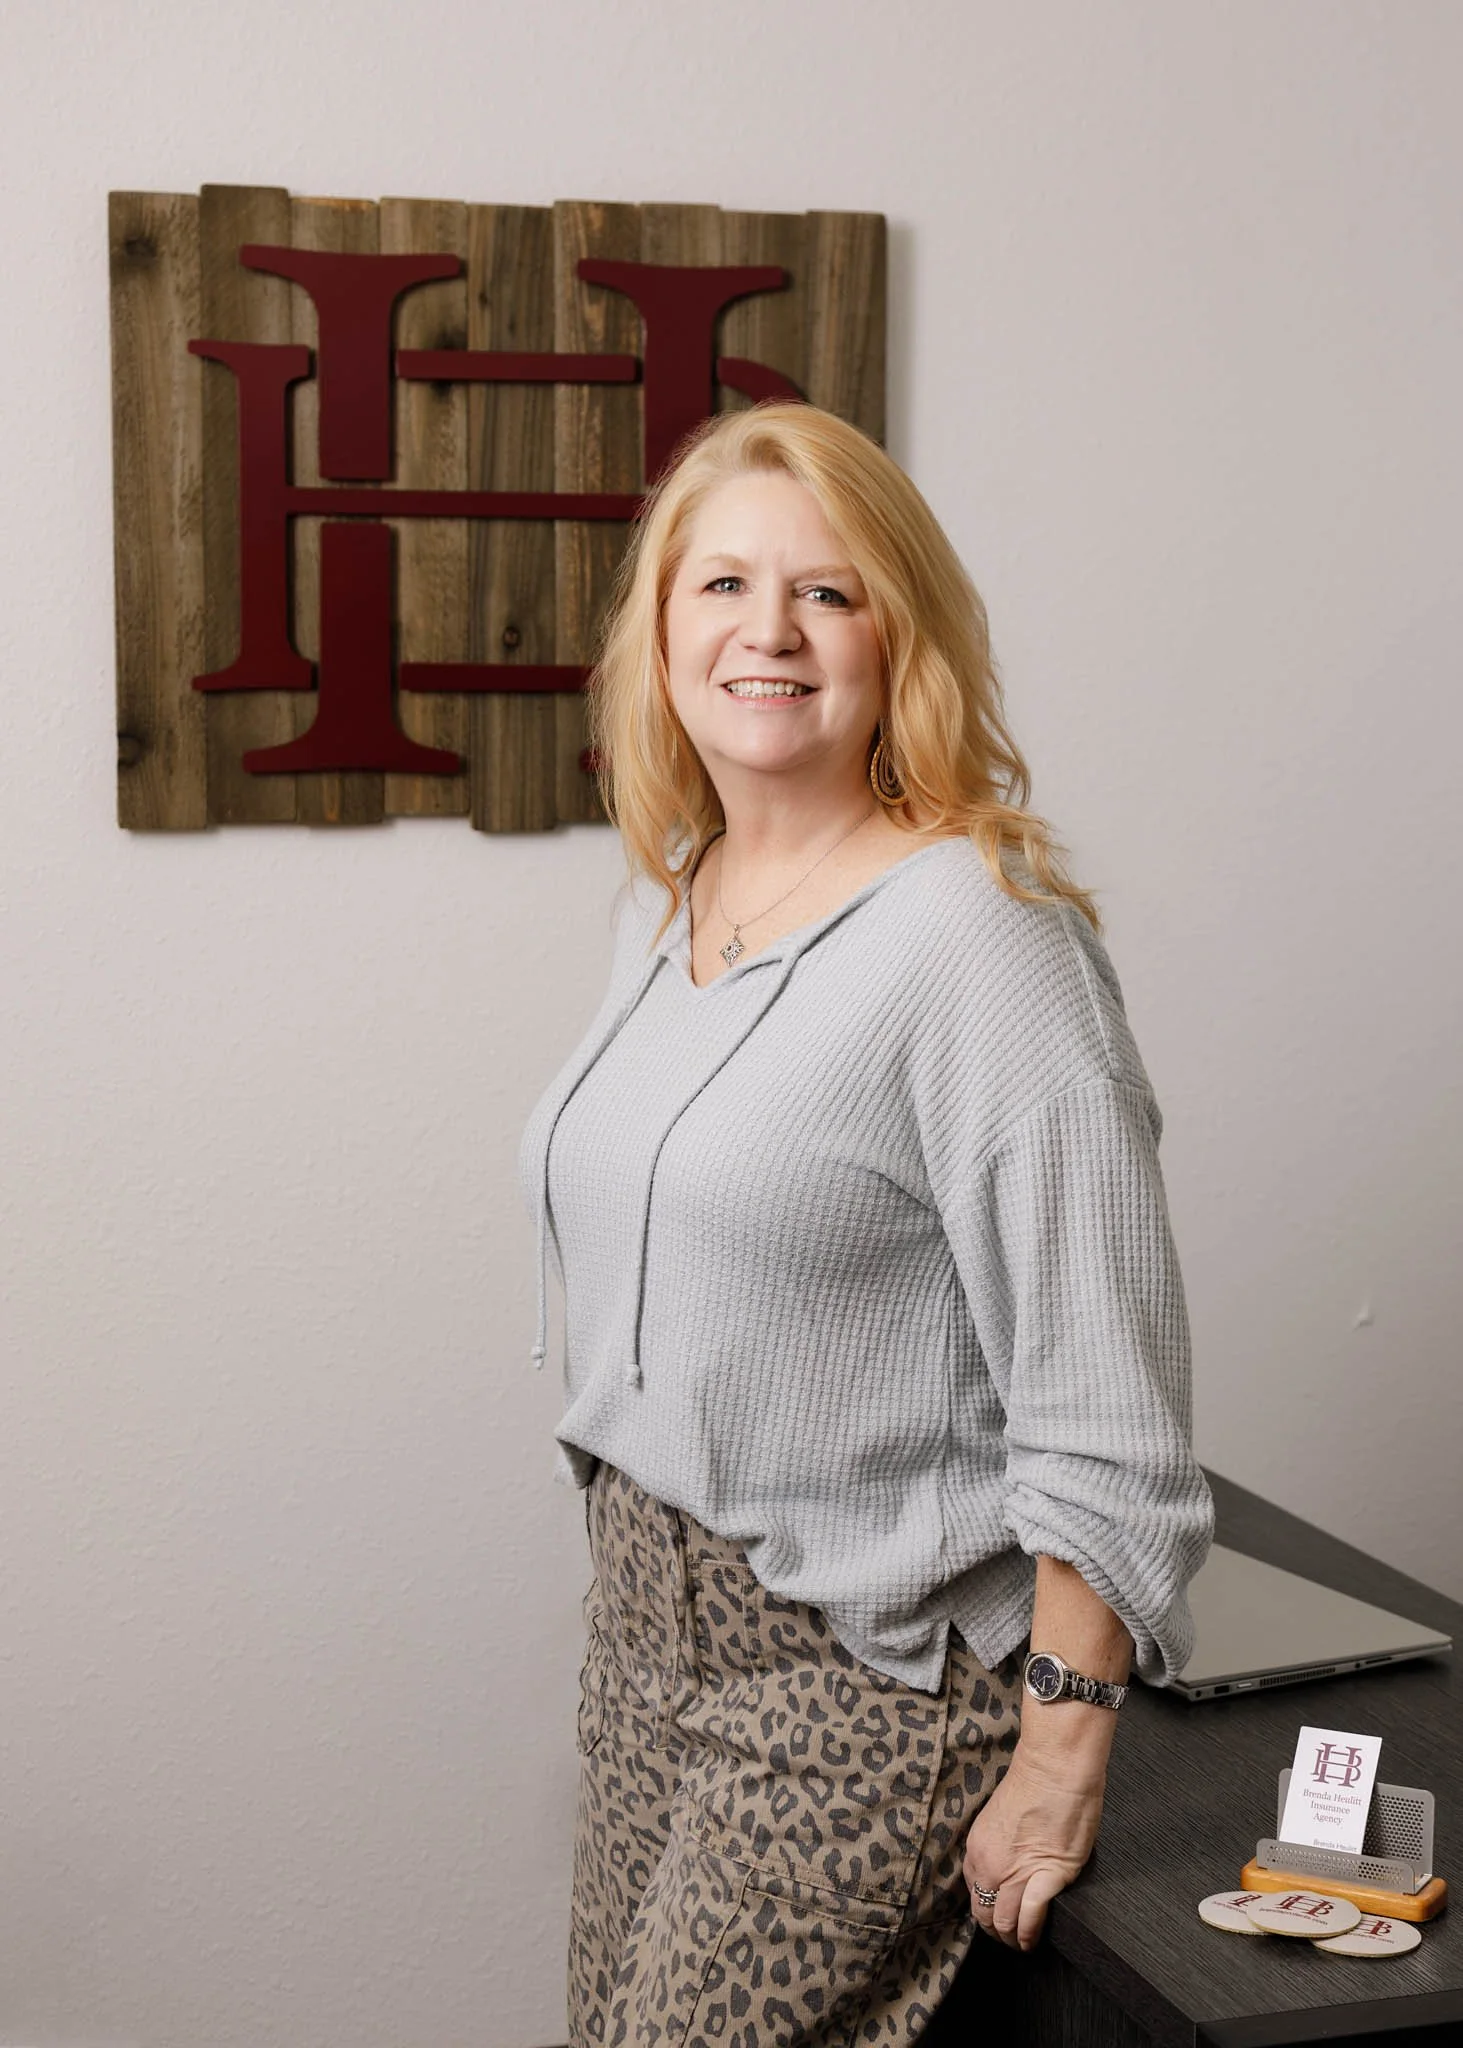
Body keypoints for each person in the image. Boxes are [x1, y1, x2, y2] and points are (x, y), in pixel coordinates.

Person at [516, 400, 1214, 2047]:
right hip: (641, 1638)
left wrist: (1058, 1758)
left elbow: (1104, 1394)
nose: (768, 633)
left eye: (827, 594)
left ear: (900, 634)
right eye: (723, 587)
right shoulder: (676, 894)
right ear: (662, 629)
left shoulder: (983, 936)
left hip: (856, 1684)